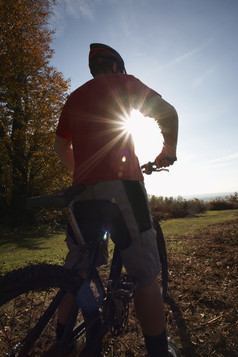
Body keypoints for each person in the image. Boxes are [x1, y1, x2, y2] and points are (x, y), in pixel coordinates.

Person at [54, 43, 178, 357]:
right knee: (146, 276)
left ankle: (64, 343)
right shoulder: (124, 83)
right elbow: (167, 113)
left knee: (79, 271)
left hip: (81, 193)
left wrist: (83, 170)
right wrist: (168, 153)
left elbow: (59, 148)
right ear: (115, 67)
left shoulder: (74, 97)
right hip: (124, 186)